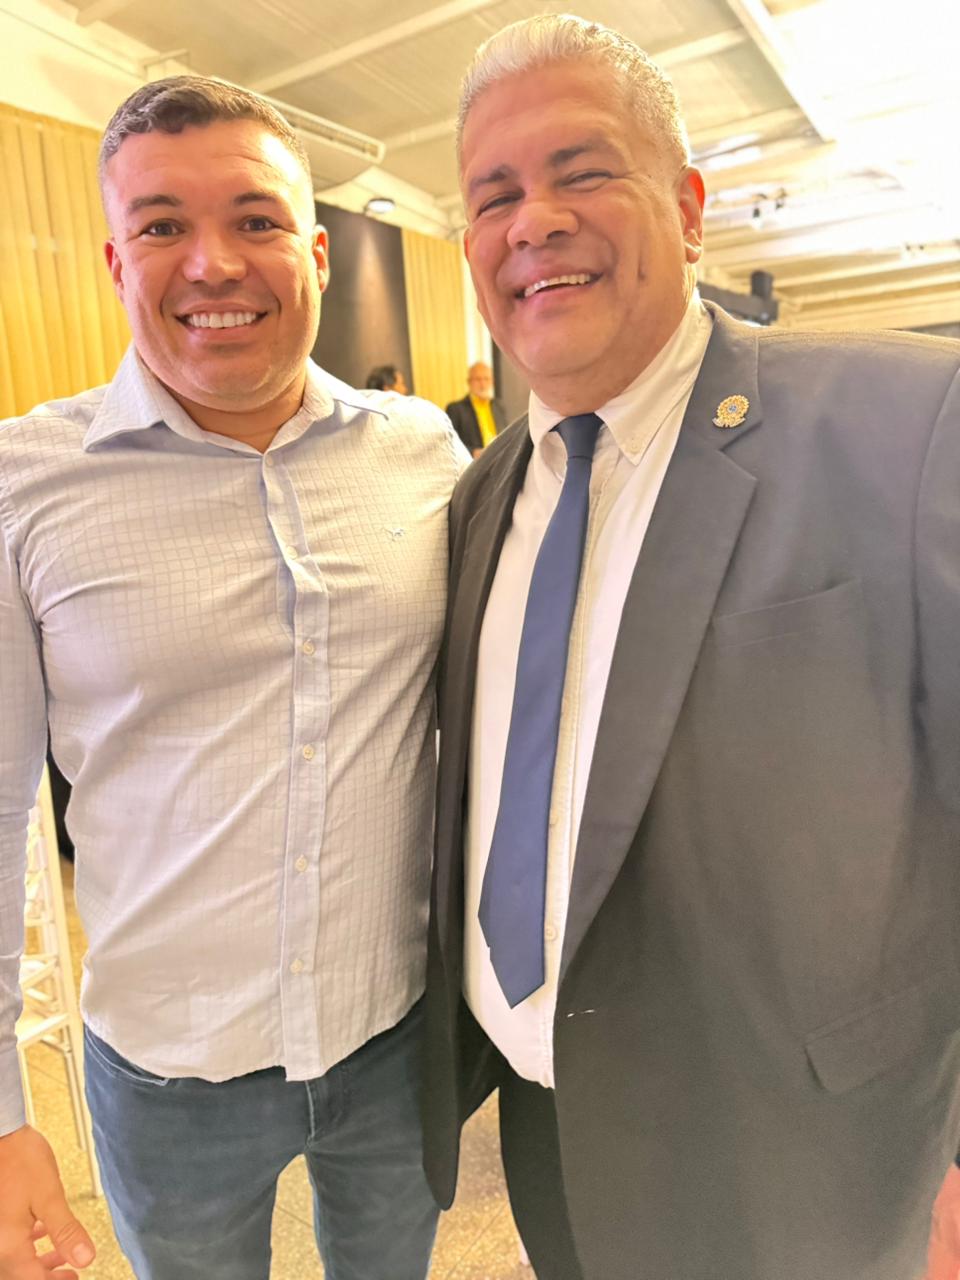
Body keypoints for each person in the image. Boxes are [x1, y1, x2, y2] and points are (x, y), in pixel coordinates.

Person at [421, 14, 960, 1280]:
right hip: (552, 1135)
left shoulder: (905, 422)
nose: (535, 220)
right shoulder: (481, 496)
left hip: (811, 1163)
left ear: (688, 206)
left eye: (583, 171)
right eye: (495, 195)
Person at [0, 75, 468, 1280]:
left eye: (255, 219)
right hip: (169, 1073)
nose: (214, 262)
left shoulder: (423, 452)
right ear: (115, 262)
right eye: (163, 225)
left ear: (314, 250)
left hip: (395, 1034)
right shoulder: (24, 485)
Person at [445, 362, 506, 457]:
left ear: (492, 382)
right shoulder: (456, 409)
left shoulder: (499, 407)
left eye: (486, 379)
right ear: (469, 382)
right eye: (478, 379)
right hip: (473, 462)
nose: (483, 384)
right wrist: (473, 452)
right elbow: (449, 442)